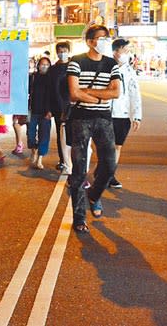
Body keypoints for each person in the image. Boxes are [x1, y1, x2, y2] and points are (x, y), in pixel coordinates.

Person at [67, 25, 120, 233]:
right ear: (90, 41)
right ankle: (79, 218)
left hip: (104, 119)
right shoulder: (76, 61)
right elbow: (73, 93)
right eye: (100, 38)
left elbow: (116, 92)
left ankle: (95, 195)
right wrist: (99, 94)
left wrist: (87, 91)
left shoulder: (111, 64)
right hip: (81, 120)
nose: (105, 41)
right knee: (79, 171)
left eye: (107, 38)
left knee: (109, 165)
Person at [108, 39, 142, 189]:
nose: (127, 54)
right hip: (106, 113)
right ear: (116, 51)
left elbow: (135, 94)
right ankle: (104, 172)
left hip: (123, 115)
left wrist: (137, 116)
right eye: (125, 50)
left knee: (117, 146)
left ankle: (110, 174)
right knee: (106, 146)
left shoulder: (129, 72)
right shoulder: (106, 67)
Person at [48, 42, 72, 174]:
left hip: (73, 106)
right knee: (60, 135)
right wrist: (50, 108)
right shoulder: (53, 69)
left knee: (73, 134)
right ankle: (62, 160)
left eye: (65, 50)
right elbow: (50, 90)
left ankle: (73, 159)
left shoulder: (74, 66)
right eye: (60, 50)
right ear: (57, 52)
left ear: (68, 51)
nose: (62, 53)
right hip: (58, 107)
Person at [28, 57, 52, 170]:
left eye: (47, 64)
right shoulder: (32, 77)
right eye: (42, 64)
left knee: (44, 136)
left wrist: (51, 111)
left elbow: (54, 95)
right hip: (32, 111)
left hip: (46, 113)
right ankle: (33, 150)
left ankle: (40, 159)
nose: (44, 66)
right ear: (38, 65)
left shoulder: (51, 78)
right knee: (30, 134)